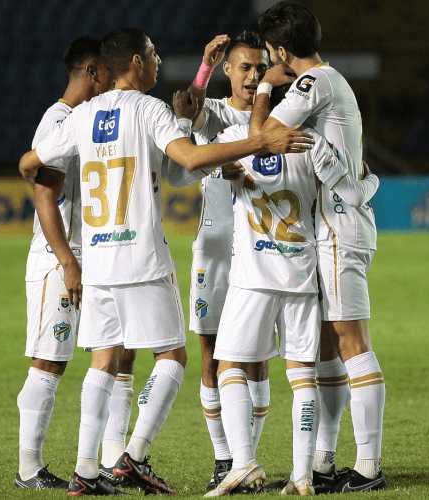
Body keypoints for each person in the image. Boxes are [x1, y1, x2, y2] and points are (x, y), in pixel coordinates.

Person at [19, 28, 313, 497]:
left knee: (102, 361)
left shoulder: (84, 115)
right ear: (136, 62)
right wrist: (256, 145)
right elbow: (190, 157)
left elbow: (30, 161)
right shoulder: (149, 109)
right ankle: (133, 456)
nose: (159, 63)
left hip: (95, 261)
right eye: (154, 55)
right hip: (140, 259)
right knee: (173, 359)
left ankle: (85, 471)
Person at [203, 82, 380, 496]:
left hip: (253, 277)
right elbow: (349, 192)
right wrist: (370, 182)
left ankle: (243, 462)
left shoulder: (236, 140)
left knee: (228, 366)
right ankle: (303, 474)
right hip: (301, 275)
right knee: (303, 376)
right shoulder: (310, 141)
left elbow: (200, 158)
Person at [251, 2, 387, 493]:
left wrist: (266, 86)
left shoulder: (313, 83)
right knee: (331, 348)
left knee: (352, 344)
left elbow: (262, 136)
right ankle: (325, 460)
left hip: (338, 230)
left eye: (271, 53)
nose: (269, 59)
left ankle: (369, 467)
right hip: (334, 226)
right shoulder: (331, 83)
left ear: (282, 51)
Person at [16, 36, 136, 492]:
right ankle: (29, 468)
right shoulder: (60, 120)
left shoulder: (90, 119)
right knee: (50, 362)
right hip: (59, 262)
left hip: (96, 258)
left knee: (118, 355)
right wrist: (67, 261)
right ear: (92, 71)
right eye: (106, 71)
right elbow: (45, 196)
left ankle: (108, 461)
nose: (111, 79)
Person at [168, 31, 274, 493]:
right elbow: (186, 108)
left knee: (257, 361)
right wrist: (203, 68)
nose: (253, 76)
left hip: (261, 254)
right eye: (245, 67)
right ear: (229, 70)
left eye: (260, 67)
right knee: (211, 357)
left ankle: (247, 460)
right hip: (215, 252)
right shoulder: (213, 112)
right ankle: (224, 459)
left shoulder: (274, 118)